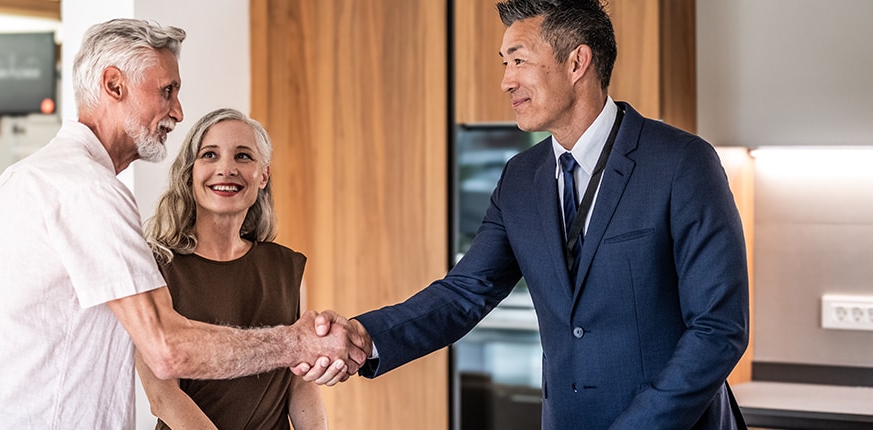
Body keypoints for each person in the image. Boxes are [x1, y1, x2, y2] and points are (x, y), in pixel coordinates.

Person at [299, 0, 750, 428]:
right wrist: (363, 335)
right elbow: (465, 292)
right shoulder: (521, 177)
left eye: (519, 60)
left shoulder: (682, 163)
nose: (506, 81)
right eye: (504, 63)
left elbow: (717, 329)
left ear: (577, 63)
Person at [0, 19, 364, 429]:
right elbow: (166, 349)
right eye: (167, 90)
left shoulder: (33, 178)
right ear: (114, 85)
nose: (177, 112)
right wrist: (298, 342)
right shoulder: (87, 190)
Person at [136, 108, 326, 430]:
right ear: (191, 172)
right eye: (210, 155)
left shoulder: (287, 268)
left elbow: (300, 383)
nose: (226, 169)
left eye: (243, 156)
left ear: (263, 175)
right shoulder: (156, 267)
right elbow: (162, 396)